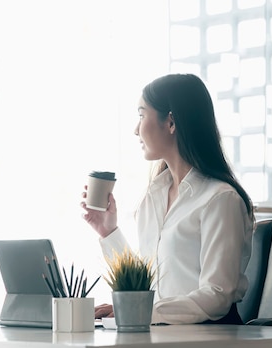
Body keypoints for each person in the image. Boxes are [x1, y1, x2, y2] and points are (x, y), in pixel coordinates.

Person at [82, 73, 254, 325]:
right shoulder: (153, 197)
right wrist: (107, 231)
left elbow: (217, 295)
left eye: (141, 115)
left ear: (171, 122)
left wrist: (142, 313)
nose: (135, 129)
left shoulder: (220, 199)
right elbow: (149, 283)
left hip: (210, 342)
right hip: (163, 336)